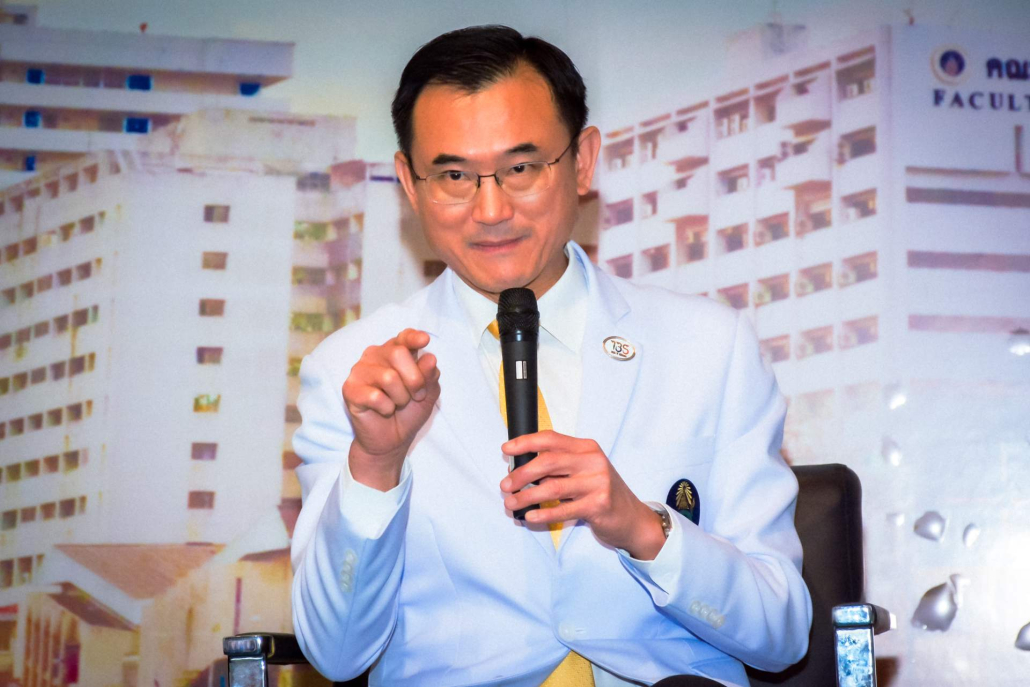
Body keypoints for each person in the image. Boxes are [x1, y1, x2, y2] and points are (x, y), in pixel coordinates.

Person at [290, 25, 812, 687]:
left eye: (520, 168)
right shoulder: (353, 372)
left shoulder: (711, 347)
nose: (491, 209)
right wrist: (375, 464)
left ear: (583, 161)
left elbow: (782, 632)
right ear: (410, 184)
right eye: (453, 175)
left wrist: (643, 526)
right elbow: (336, 654)